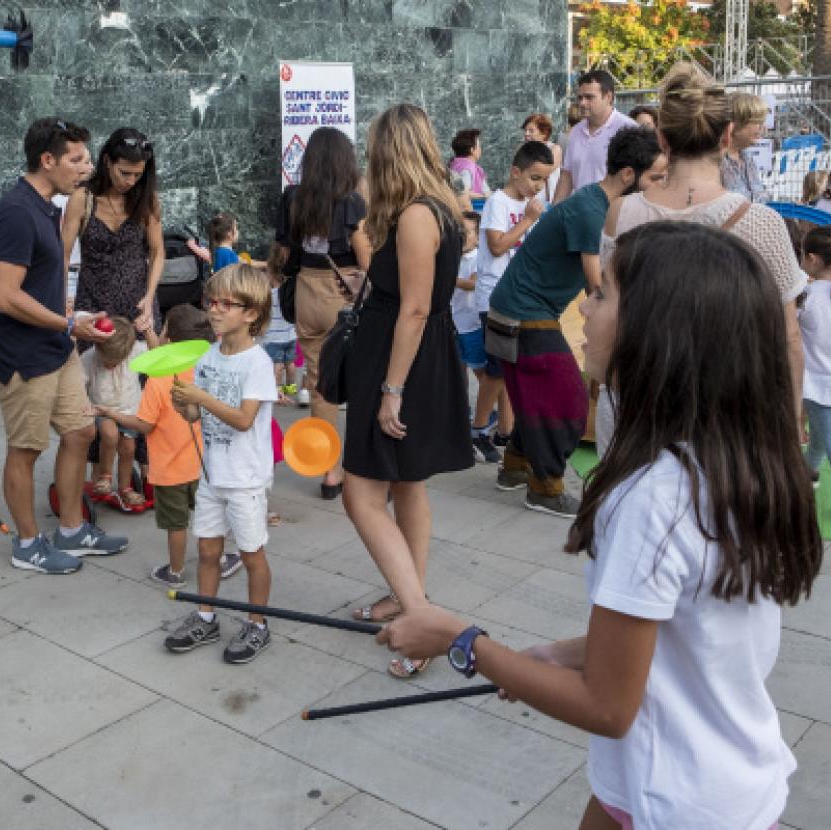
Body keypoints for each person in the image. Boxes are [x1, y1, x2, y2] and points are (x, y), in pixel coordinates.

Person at [378, 221, 822, 830]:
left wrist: (460, 639)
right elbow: (688, 636)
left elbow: (608, 706)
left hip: (675, 803)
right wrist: (550, 656)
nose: (584, 305)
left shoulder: (653, 499)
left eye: (604, 294)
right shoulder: (740, 465)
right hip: (722, 786)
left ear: (659, 331)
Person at [594, 64, 806, 454]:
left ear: (661, 137)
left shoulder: (620, 214)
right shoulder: (763, 224)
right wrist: (790, 424)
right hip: (722, 412)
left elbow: (610, 308)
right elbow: (788, 338)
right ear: (727, 135)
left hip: (635, 403)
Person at [342, 103, 474, 679]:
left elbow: (416, 309)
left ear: (388, 152)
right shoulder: (440, 207)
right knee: (406, 485)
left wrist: (391, 389)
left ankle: (422, 620)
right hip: (414, 353)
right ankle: (408, 596)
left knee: (360, 495)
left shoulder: (419, 214)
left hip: (403, 362)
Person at [0, 117, 128, 574]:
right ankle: (27, 544)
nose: (85, 168)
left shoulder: (49, 205)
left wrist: (72, 319)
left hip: (55, 345)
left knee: (80, 432)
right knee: (25, 449)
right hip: (23, 357)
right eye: (77, 159)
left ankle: (71, 529)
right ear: (48, 161)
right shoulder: (16, 214)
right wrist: (68, 325)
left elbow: (44, 280)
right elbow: (5, 297)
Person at [488, 127, 666, 518]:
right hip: (522, 316)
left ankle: (515, 468)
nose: (659, 185)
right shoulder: (591, 210)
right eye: (654, 177)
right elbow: (595, 283)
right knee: (570, 403)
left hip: (511, 312)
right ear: (627, 175)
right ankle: (545, 489)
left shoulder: (593, 203)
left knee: (534, 396)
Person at [165, 264, 278, 663]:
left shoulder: (257, 363)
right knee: (208, 550)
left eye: (225, 304)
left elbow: (244, 419)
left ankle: (258, 623)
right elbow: (199, 418)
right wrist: (186, 406)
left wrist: (202, 398)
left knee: (251, 555)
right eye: (210, 301)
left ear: (250, 313)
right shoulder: (210, 356)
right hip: (212, 474)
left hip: (245, 479)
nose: (213, 310)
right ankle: (205, 616)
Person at [97, 304, 242, 586]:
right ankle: (221, 561)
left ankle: (175, 572)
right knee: (210, 517)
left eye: (162, 331)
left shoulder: (159, 380)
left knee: (176, 525)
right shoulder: (208, 368)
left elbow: (145, 425)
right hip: (204, 466)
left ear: (170, 341)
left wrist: (112, 413)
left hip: (169, 471)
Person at [274, 126, 371, 499]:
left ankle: (329, 472)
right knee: (362, 380)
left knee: (320, 384)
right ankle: (361, 466)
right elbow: (363, 253)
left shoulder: (292, 197)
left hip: (305, 294)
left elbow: (282, 253)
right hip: (342, 294)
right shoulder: (350, 201)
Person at [469, 141, 553, 464]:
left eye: (544, 180)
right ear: (515, 171)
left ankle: (506, 429)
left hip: (519, 296)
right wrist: (529, 219)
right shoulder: (498, 202)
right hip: (492, 297)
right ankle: (478, 430)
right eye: (534, 178)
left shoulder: (532, 203)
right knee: (495, 369)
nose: (538, 186)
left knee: (510, 367)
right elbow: (498, 245)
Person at [61, 127, 165, 332]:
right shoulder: (83, 198)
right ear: (108, 161)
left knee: (144, 362)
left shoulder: (147, 199)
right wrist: (62, 302)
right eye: (124, 173)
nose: (130, 181)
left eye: (138, 175)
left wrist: (150, 296)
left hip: (138, 304)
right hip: (93, 305)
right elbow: (62, 254)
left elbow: (157, 252)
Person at [82, 316, 150, 507]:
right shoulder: (89, 357)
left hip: (128, 412)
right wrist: (86, 405)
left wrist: (149, 331)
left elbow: (155, 350)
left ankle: (125, 487)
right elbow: (79, 382)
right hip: (102, 410)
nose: (110, 365)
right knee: (110, 434)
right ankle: (105, 476)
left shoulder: (134, 350)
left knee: (128, 449)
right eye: (107, 361)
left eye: (116, 361)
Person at [553, 69, 638, 203]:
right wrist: (554, 213)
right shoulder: (575, 132)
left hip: (614, 215)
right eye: (580, 97)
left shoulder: (629, 129)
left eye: (589, 97)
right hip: (580, 214)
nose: (582, 103)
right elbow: (566, 176)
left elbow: (636, 178)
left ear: (608, 97)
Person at [800, 226, 831, 479]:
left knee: (823, 440)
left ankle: (806, 475)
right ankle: (808, 475)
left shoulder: (807, 297)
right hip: (821, 390)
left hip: (819, 389)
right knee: (820, 440)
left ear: (812, 259)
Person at [451, 211, 486, 413]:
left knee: (481, 372)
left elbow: (472, 284)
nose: (461, 235)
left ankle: (487, 412)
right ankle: (462, 410)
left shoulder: (477, 258)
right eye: (458, 230)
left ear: (479, 236)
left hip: (471, 325)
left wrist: (446, 277)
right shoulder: (451, 256)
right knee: (457, 372)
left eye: (467, 232)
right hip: (452, 324)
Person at [722, 92, 769, 203]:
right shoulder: (715, 163)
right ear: (735, 124)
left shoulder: (748, 160)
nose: (762, 127)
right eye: (757, 122)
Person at [261, 267, 300, 403]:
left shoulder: (268, 296)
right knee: (290, 363)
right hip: (290, 335)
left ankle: (277, 389)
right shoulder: (290, 294)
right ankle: (291, 386)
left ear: (271, 277)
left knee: (276, 365)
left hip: (274, 338)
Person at [521, 114, 563, 203]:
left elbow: (544, 171)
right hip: (530, 203)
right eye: (525, 130)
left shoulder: (555, 149)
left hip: (551, 202)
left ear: (544, 133)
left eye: (531, 131)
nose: (526, 134)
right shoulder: (523, 151)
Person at [449, 128, 489, 201]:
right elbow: (463, 193)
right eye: (479, 146)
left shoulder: (453, 164)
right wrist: (483, 196)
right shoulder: (467, 168)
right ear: (472, 150)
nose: (480, 149)